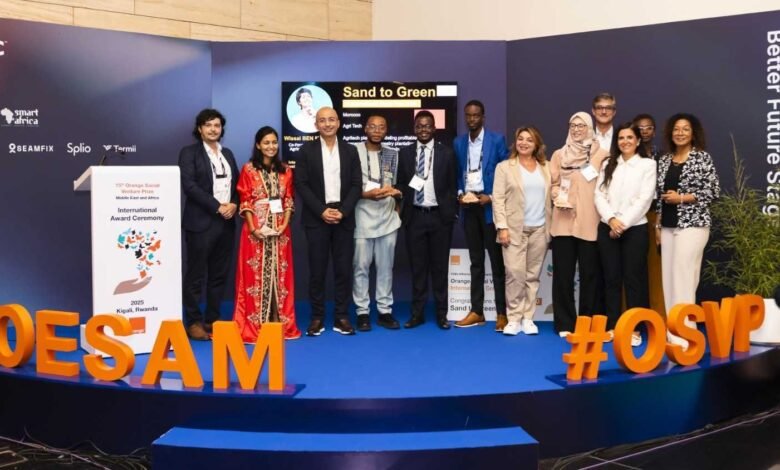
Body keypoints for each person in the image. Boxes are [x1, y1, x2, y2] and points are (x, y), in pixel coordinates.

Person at [294, 107, 363, 336]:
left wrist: (342, 211)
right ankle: (317, 318)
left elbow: (356, 184)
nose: (327, 124)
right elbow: (301, 184)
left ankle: (342, 316)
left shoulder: (351, 150)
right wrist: (322, 210)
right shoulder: (305, 150)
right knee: (317, 270)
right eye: (322, 120)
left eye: (331, 119)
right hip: (317, 218)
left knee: (343, 270)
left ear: (339, 122)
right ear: (316, 125)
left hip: (343, 217)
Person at [656, 113, 720, 348]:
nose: (680, 133)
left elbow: (713, 191)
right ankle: (673, 334)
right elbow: (660, 197)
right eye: (676, 129)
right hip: (668, 226)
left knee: (683, 278)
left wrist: (682, 198)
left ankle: (685, 335)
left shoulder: (702, 158)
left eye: (685, 129)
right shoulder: (664, 160)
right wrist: (658, 224)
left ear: (693, 133)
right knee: (668, 279)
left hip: (693, 225)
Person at [233, 126, 301, 341]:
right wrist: (254, 228)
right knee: (255, 275)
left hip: (281, 229)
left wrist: (284, 225)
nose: (271, 146)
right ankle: (255, 324)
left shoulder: (286, 170)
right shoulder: (249, 169)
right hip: (255, 229)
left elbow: (288, 200)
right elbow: (245, 200)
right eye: (266, 143)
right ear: (258, 145)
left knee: (279, 275)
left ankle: (277, 322)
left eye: (274, 142)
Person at [178, 108, 239, 341]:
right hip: (201, 222)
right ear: (200, 129)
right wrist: (217, 206)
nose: (213, 129)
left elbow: (238, 184)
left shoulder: (228, 154)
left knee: (219, 274)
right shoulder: (189, 153)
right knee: (195, 276)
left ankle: (212, 320)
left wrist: (234, 203)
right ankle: (193, 322)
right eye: (208, 125)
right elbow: (189, 186)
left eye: (217, 125)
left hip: (226, 222)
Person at [594, 123, 657, 346]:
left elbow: (645, 199)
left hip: (635, 229)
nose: (625, 141)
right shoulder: (608, 164)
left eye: (630, 137)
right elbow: (599, 195)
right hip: (607, 227)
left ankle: (635, 329)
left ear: (638, 141)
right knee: (611, 280)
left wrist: (622, 223)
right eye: (621, 138)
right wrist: (611, 219)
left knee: (634, 280)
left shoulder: (648, 165)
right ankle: (612, 326)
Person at [550, 112, 609, 338]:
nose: (576, 130)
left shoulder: (601, 154)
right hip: (563, 222)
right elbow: (553, 184)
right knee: (563, 275)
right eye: (572, 125)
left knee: (590, 276)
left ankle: (587, 322)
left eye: (581, 125)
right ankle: (565, 323)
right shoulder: (558, 154)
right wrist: (557, 195)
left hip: (589, 222)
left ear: (590, 128)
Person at [398, 110, 458, 330]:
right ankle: (417, 314)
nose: (423, 129)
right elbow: (402, 184)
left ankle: (442, 315)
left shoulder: (447, 153)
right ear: (415, 129)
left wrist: (451, 212)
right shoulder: (404, 154)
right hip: (414, 217)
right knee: (418, 269)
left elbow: (453, 185)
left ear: (434, 128)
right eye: (419, 126)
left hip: (440, 218)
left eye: (427, 126)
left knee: (440, 269)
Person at [453, 100, 509, 331]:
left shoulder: (497, 140)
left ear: (483, 117)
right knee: (476, 262)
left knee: (497, 264)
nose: (471, 119)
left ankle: (502, 313)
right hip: (468, 209)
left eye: (476, 115)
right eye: (468, 116)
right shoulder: (458, 142)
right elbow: (458, 173)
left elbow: (506, 173)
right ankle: (477, 311)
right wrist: (459, 193)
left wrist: (492, 197)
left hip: (489, 208)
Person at [493, 127, 552, 336]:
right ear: (515, 143)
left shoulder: (546, 167)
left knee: (532, 275)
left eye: (529, 140)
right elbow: (498, 199)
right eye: (520, 139)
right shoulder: (504, 167)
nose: (524, 143)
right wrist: (502, 227)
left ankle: (528, 318)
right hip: (514, 229)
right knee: (514, 274)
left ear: (537, 144)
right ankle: (514, 318)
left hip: (540, 229)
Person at [352, 114, 403, 331]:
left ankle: (384, 311)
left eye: (381, 127)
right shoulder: (353, 152)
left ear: (386, 130)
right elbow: (347, 185)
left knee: (385, 267)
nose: (376, 130)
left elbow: (400, 184)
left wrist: (397, 203)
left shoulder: (394, 153)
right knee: (361, 267)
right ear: (365, 128)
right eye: (372, 126)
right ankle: (362, 312)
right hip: (362, 215)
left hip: (388, 218)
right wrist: (366, 195)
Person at [632, 113, 666, 317]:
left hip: (653, 213)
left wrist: (659, 220)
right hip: (630, 215)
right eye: (640, 128)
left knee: (655, 268)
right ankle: (630, 318)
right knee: (631, 268)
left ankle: (658, 318)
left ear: (654, 131)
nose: (644, 132)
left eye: (649, 128)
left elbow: (663, 187)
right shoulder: (625, 155)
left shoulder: (662, 156)